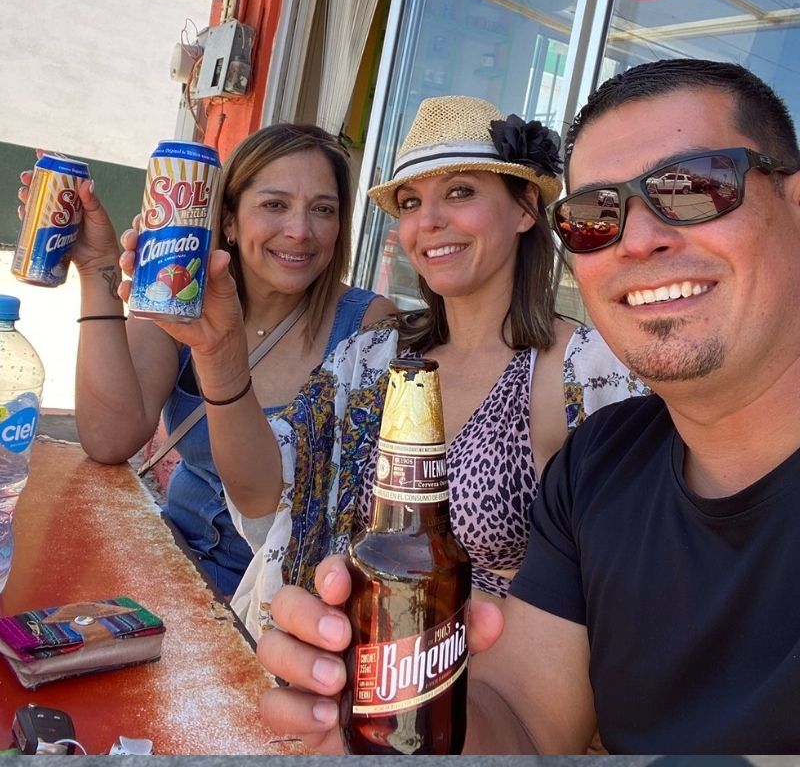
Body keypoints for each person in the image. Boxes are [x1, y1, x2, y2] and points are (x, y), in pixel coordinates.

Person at [256, 59, 800, 754]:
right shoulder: (603, 462)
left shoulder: (575, 377)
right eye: (599, 213)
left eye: (692, 188)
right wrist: (390, 722)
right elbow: (524, 722)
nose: (638, 239)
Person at [178, 94, 647, 640]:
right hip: (312, 675)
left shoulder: (584, 373)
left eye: (460, 192)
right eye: (409, 202)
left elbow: (622, 602)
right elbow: (264, 493)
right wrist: (219, 356)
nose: (430, 221)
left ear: (524, 208)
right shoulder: (372, 356)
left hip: (467, 708)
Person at [19, 124, 394, 596]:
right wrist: (97, 269)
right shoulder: (180, 290)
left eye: (323, 210)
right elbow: (110, 438)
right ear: (231, 221)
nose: (300, 231)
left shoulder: (367, 326)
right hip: (166, 567)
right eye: (274, 205)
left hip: (280, 606)